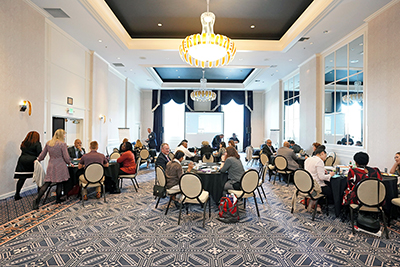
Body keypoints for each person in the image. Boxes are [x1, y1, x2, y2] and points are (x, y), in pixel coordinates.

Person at [33, 129, 71, 209]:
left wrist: (38, 159)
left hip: (51, 165)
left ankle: (37, 200)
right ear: (61, 135)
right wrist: (69, 163)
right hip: (60, 165)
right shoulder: (62, 144)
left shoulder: (49, 143)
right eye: (64, 134)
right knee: (60, 183)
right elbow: (66, 157)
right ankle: (58, 199)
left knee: (47, 183)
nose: (64, 136)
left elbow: (42, 154)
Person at [14, 131, 42, 200]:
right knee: (38, 177)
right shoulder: (37, 144)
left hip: (22, 160)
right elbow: (39, 154)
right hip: (32, 161)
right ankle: (40, 194)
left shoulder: (24, 143)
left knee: (22, 178)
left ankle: (17, 194)